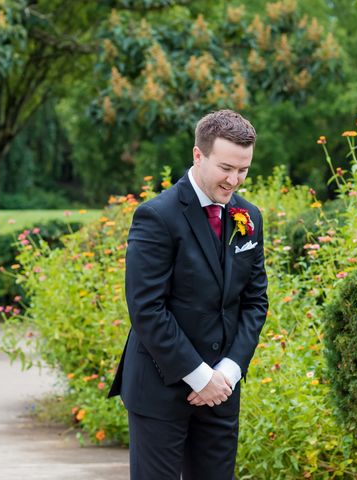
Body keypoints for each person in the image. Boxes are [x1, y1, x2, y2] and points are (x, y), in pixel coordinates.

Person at [108, 110, 268, 479]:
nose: (234, 180)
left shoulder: (250, 216)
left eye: (243, 169)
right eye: (226, 167)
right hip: (160, 388)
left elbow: (255, 301)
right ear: (198, 155)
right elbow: (147, 308)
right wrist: (199, 377)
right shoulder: (157, 216)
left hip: (222, 391)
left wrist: (227, 373)